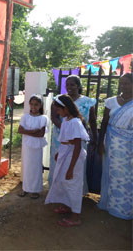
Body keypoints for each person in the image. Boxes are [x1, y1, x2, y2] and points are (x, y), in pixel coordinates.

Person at [45, 94, 89, 227]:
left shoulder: (75, 122)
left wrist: (71, 168)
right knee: (64, 181)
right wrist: (60, 152)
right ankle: (69, 206)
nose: (57, 113)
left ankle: (75, 216)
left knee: (72, 184)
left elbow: (77, 146)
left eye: (59, 110)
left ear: (66, 108)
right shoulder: (67, 120)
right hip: (67, 154)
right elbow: (67, 141)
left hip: (73, 158)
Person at [49, 75, 97, 194]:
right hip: (60, 138)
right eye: (67, 84)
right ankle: (58, 192)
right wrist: (65, 130)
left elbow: (92, 121)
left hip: (78, 138)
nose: (69, 87)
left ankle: (74, 193)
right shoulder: (59, 99)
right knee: (59, 162)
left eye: (72, 84)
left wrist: (95, 137)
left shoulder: (87, 102)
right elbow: (54, 117)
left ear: (79, 86)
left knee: (75, 164)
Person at [97, 73, 133, 220]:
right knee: (110, 173)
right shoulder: (111, 101)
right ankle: (108, 204)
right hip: (111, 142)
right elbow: (104, 123)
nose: (123, 86)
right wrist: (100, 143)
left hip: (128, 146)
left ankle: (124, 208)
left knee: (127, 176)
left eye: (126, 83)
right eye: (121, 83)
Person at [17, 95, 49, 199]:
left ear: (40, 105)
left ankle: (35, 190)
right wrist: (32, 131)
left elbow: (41, 134)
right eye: (31, 104)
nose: (33, 107)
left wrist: (27, 132)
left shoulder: (43, 118)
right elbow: (20, 130)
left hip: (37, 146)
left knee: (35, 167)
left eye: (36, 104)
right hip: (27, 145)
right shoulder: (25, 117)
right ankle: (25, 188)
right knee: (26, 166)